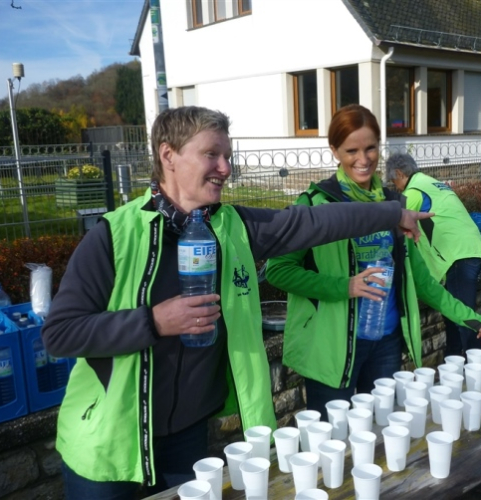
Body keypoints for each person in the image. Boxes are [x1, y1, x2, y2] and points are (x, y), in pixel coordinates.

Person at [41, 106, 432, 499]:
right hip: (109, 442)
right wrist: (154, 321)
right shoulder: (114, 235)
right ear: (168, 155)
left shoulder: (233, 226)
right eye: (211, 154)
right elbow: (59, 334)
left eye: (228, 156)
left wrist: (393, 213)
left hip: (187, 436)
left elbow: (313, 223)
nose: (226, 168)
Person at [265, 104, 481, 418]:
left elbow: (422, 282)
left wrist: (472, 317)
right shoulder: (315, 204)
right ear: (334, 150)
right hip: (331, 351)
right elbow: (278, 270)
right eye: (351, 150)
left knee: (380, 434)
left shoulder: (395, 207)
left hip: (385, 346)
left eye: (370, 148)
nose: (363, 159)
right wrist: (344, 287)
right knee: (333, 440)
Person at [385, 153, 481, 358]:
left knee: (466, 317)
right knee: (454, 312)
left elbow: (396, 229)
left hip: (458, 255)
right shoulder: (431, 183)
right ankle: (453, 357)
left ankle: (476, 362)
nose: (395, 186)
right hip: (469, 249)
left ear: (399, 173)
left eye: (393, 181)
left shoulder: (414, 192)